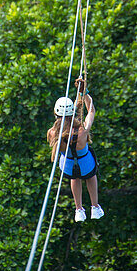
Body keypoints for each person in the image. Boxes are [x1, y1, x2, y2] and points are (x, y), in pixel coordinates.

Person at [47, 79, 104, 223]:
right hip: (85, 162)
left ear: (56, 113)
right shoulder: (82, 130)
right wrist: (84, 93)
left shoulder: (52, 133)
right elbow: (91, 110)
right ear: (72, 112)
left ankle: (79, 209)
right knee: (90, 176)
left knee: (75, 177)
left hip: (67, 164)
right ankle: (95, 206)